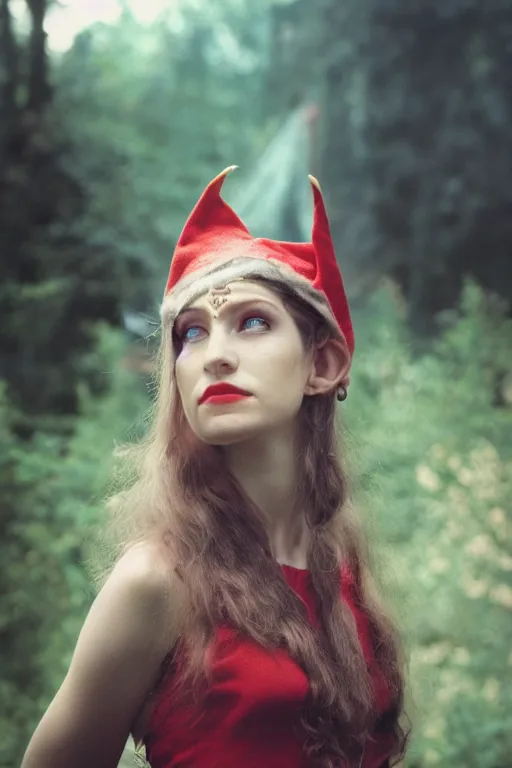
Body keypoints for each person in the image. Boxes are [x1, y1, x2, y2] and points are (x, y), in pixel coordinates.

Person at [21, 167, 409, 768]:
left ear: (324, 364)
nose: (215, 355)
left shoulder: (343, 569)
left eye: (253, 322)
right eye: (191, 333)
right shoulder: (157, 581)